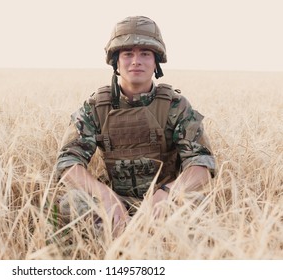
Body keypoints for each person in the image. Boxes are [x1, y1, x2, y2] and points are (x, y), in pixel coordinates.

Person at [55, 16, 216, 237]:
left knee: (200, 204)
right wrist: (105, 196)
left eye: (145, 54)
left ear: (156, 61)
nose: (136, 61)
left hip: (163, 201)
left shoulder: (175, 105)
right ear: (116, 61)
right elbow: (67, 162)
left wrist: (167, 195)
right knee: (71, 202)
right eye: (128, 53)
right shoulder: (96, 106)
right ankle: (128, 241)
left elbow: (202, 164)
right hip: (114, 202)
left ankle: (142, 240)